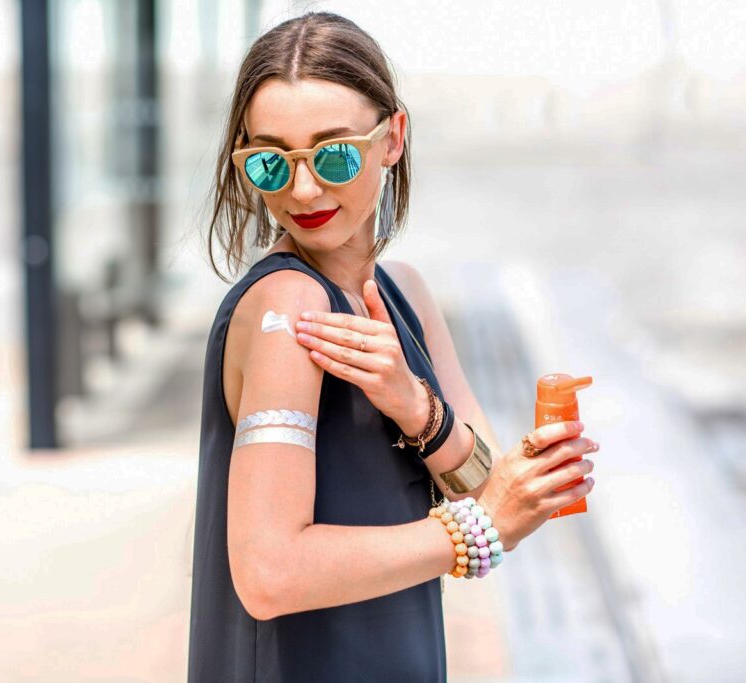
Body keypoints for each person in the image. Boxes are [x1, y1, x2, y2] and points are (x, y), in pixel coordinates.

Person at [187, 11, 598, 682]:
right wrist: (474, 528)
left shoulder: (405, 292)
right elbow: (268, 571)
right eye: (270, 161)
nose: (305, 189)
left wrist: (416, 407)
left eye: (335, 153)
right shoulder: (291, 310)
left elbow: (491, 493)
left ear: (393, 138)